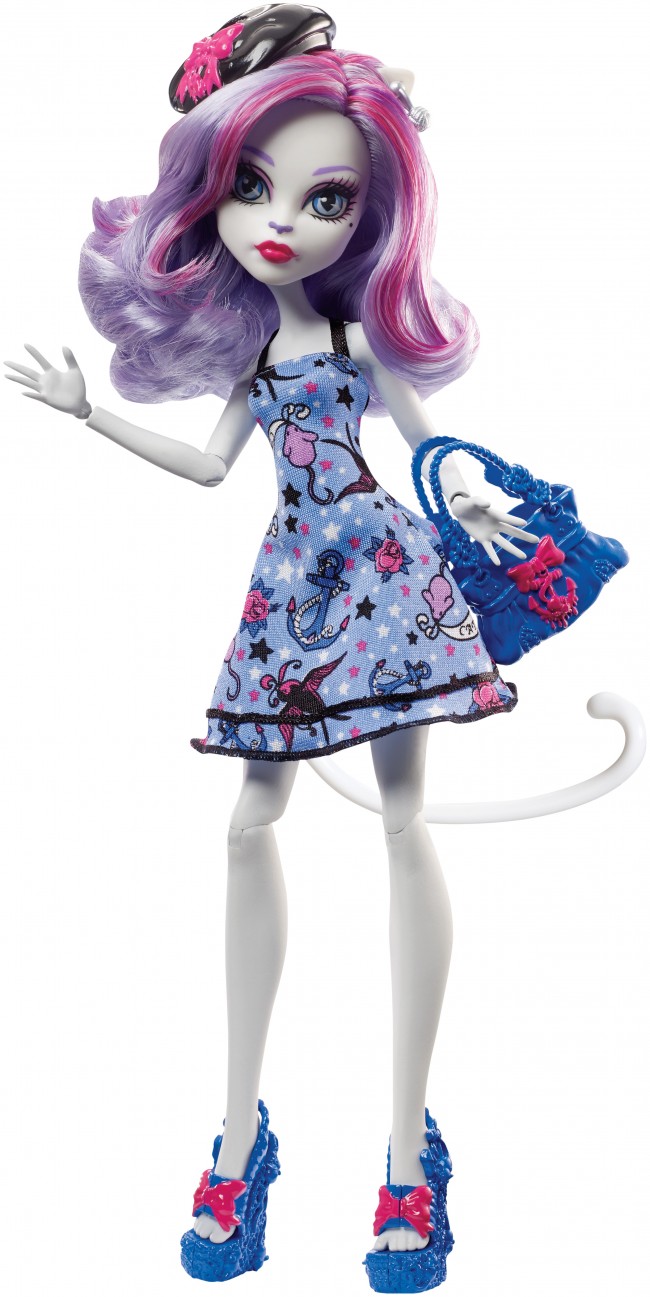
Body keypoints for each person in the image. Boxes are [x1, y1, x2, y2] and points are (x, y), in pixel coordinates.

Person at [4, 6, 546, 1291]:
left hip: (385, 578)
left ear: (372, 212)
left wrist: (472, 501)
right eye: (250, 188)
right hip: (294, 583)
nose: (281, 222)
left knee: (401, 822)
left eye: (324, 197)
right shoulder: (253, 359)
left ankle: (407, 1153)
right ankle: (238, 1134)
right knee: (249, 824)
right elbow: (208, 470)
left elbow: (425, 445)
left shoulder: (355, 344)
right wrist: (86, 417)